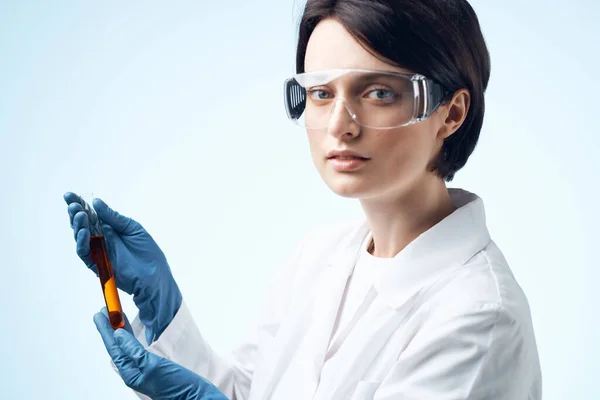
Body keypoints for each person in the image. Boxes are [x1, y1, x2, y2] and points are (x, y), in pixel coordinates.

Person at [64, 0, 542, 399]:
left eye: (377, 92)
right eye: (320, 92)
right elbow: (249, 391)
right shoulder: (318, 257)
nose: (340, 124)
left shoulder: (478, 317)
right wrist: (162, 311)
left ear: (451, 113)